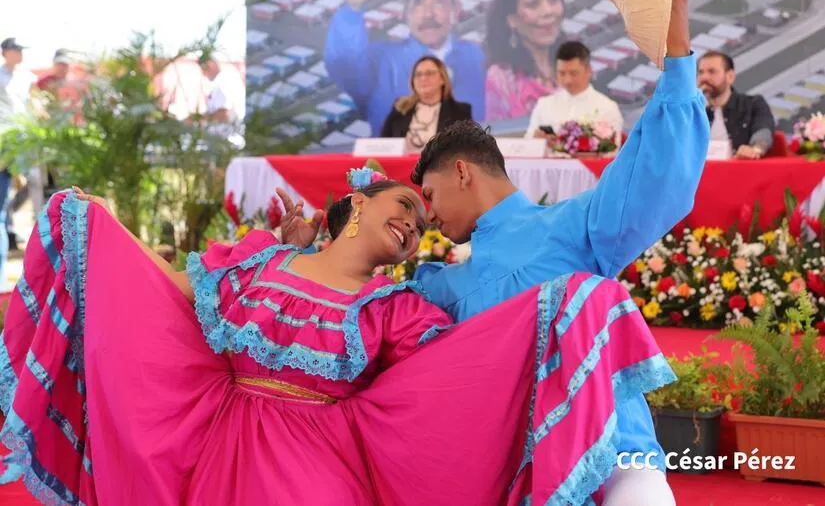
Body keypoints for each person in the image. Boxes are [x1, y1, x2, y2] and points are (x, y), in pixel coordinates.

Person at [0, 174, 674, 505]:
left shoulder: (392, 310)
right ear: (355, 205)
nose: (412, 224)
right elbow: (168, 290)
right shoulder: (259, 262)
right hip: (218, 454)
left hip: (314, 471)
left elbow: (455, 377)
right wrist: (103, 225)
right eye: (403, 206)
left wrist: (562, 311)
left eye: (420, 223)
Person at [280, 0, 708, 504]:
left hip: (617, 461)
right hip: (517, 483)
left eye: (430, 196)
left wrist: (678, 59)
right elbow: (352, 313)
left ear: (462, 172)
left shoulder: (573, 226)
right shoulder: (442, 287)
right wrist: (300, 256)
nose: (428, 217)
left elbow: (655, 178)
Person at [324, 0, 485, 133]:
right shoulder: (382, 61)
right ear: (404, 13)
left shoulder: (479, 58)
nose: (428, 13)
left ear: (456, 9)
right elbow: (344, 65)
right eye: (418, 3)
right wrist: (353, 8)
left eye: (439, 2)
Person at [484, 0, 565, 121]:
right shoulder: (502, 78)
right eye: (533, 4)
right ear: (512, 19)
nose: (548, 11)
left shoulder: (575, 63)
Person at [525, 41, 623, 140]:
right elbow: (526, 143)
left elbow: (614, 147)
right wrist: (537, 139)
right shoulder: (544, 105)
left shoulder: (607, 108)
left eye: (573, 73)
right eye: (562, 73)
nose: (567, 80)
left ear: (589, 70)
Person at [0, 38, 37, 287]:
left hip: (25, 146)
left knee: (34, 193)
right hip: (5, 146)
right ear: (5, 52)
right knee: (1, 212)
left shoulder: (27, 78)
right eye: (17, 49)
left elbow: (33, 108)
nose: (20, 53)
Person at [380, 55, 472, 153]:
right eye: (418, 74)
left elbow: (467, 150)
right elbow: (383, 145)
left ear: (443, 79)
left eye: (429, 73)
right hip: (402, 163)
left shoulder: (460, 111)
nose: (423, 78)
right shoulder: (400, 107)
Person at [697, 50, 775, 159]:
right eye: (701, 72)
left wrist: (755, 150)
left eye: (712, 72)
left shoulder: (753, 104)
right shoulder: (693, 110)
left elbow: (763, 132)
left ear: (730, 76)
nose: (704, 78)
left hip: (737, 167)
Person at [198, 54, 246, 149]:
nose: (203, 74)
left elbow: (224, 113)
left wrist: (200, 119)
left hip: (226, 141)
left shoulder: (223, 82)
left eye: (203, 70)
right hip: (226, 140)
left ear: (210, 64)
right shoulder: (226, 78)